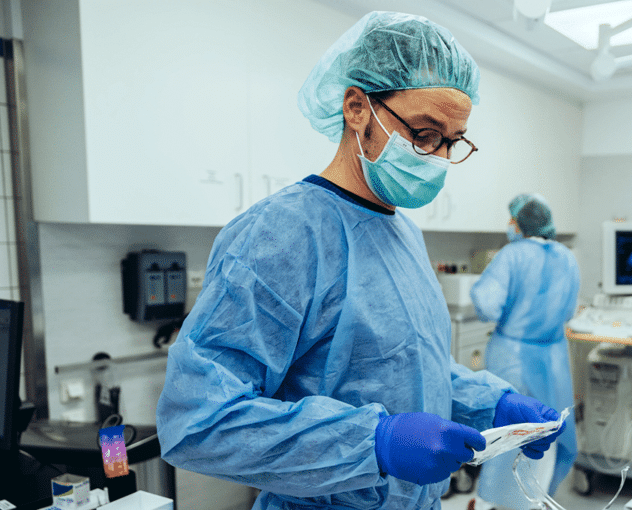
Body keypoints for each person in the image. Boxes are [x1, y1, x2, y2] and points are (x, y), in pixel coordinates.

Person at [156, 12, 564, 510]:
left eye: (452, 141)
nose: (436, 157)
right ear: (356, 108)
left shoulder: (403, 233)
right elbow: (197, 421)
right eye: (424, 133)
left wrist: (491, 405)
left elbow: (410, 369)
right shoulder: (281, 234)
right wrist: (373, 442)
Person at [469, 194, 580, 510]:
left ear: (520, 224)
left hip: (513, 356)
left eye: (512, 219)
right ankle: (539, 498)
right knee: (549, 430)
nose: (509, 226)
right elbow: (569, 310)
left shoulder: (512, 255)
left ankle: (495, 501)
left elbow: (487, 304)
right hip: (554, 357)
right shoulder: (567, 257)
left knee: (509, 432)